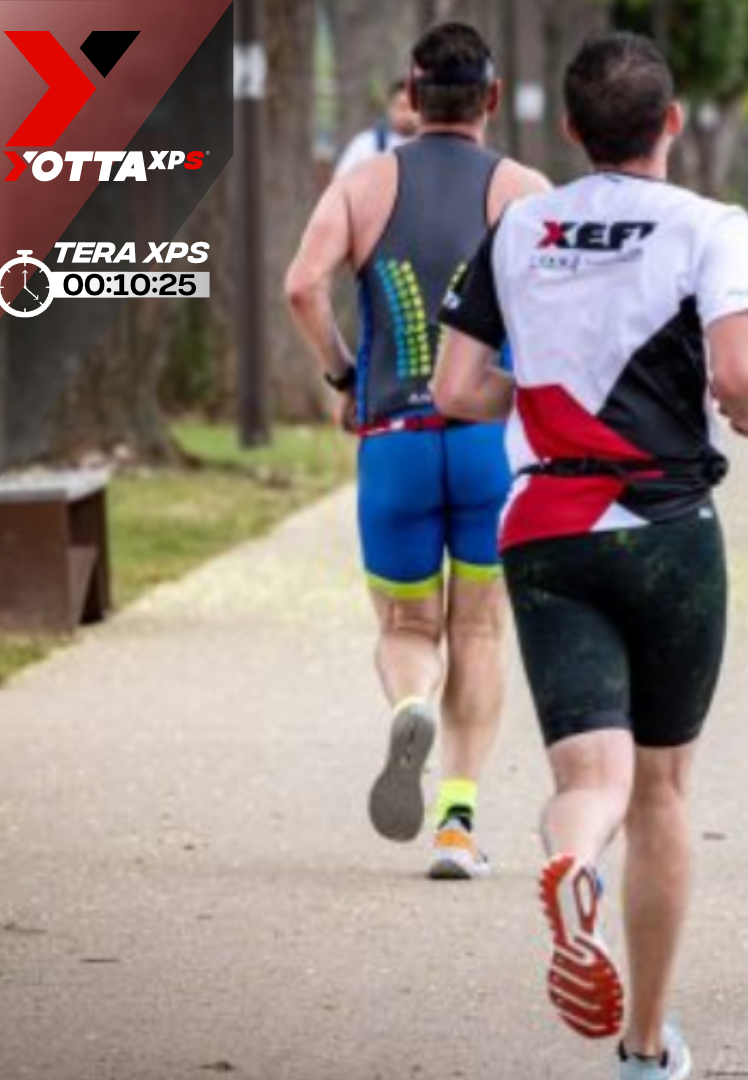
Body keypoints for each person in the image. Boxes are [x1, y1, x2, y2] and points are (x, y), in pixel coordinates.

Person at [432, 31, 748, 1080]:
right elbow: (738, 378)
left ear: (573, 129)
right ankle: (644, 1046)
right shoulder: (711, 226)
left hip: (545, 530)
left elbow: (456, 388)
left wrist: (536, 397)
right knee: (661, 789)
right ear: (670, 122)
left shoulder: (517, 225)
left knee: (591, 776)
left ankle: (574, 859)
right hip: (667, 529)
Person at [285, 24, 550, 879]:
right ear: (492, 98)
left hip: (393, 439)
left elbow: (302, 287)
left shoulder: (361, 185)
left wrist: (343, 374)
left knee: (406, 626)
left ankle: (410, 702)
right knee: (479, 629)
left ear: (411, 94)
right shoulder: (525, 192)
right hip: (487, 443)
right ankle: (457, 826)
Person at [335, 79, 421, 180]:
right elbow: (341, 180)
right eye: (402, 107)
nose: (408, 114)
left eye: (414, 108)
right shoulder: (365, 144)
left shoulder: (430, 146)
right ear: (390, 108)